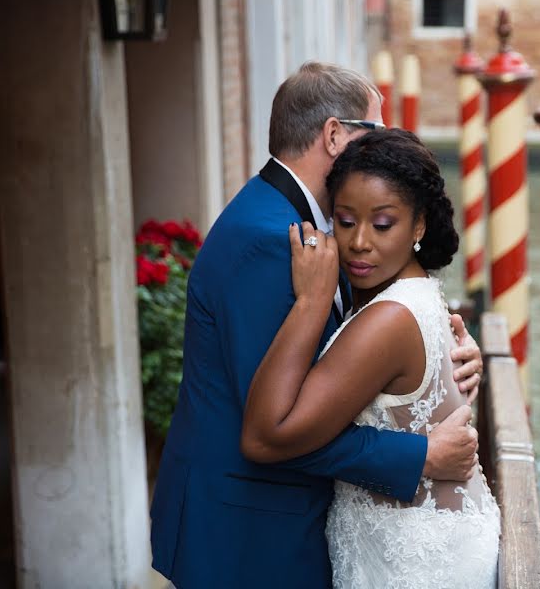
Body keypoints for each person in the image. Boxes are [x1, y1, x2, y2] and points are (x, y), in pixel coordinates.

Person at [149, 63, 485, 588]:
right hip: (248, 528)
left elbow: (374, 335)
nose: (384, 146)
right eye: (375, 130)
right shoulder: (271, 240)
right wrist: (421, 455)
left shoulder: (301, 223)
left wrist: (449, 355)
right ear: (335, 135)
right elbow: (273, 426)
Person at [242, 129, 501, 588]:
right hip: (413, 544)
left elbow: (266, 437)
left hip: (416, 567)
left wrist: (310, 303)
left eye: (382, 225)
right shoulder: (411, 294)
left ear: (418, 225)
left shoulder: (389, 318)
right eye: (344, 221)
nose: (359, 242)